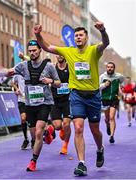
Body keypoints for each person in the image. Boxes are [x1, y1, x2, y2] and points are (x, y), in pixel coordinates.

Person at [34, 21, 109, 176]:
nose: (78, 37)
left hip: (93, 95)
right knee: (79, 128)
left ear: (87, 38)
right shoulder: (68, 51)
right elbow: (48, 47)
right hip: (76, 95)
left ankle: (100, 149)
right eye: (76, 36)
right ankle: (81, 163)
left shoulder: (94, 50)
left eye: (81, 35)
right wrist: (37, 34)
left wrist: (102, 31)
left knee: (95, 131)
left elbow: (106, 42)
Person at [11, 40, 61, 171]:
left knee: (38, 132)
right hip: (29, 104)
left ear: (40, 50)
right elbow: (9, 72)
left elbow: (58, 83)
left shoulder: (49, 66)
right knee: (34, 135)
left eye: (34, 50)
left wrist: (50, 81)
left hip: (44, 102)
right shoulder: (23, 66)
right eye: (30, 51)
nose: (32, 53)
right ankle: (48, 130)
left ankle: (33, 161)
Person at [50, 55, 71, 155]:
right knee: (58, 126)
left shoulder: (70, 68)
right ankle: (61, 128)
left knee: (67, 124)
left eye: (62, 54)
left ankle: (65, 146)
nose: (60, 56)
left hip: (68, 100)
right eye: (58, 54)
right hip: (55, 100)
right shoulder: (53, 69)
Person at [100, 62, 124, 144]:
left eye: (111, 67)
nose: (110, 68)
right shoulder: (102, 77)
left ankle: (112, 136)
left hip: (114, 98)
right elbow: (98, 87)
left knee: (111, 117)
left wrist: (121, 89)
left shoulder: (119, 76)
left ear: (114, 68)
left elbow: (122, 83)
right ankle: (107, 125)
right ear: (106, 68)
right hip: (105, 99)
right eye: (108, 67)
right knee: (107, 119)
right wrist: (104, 85)